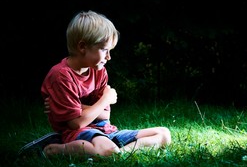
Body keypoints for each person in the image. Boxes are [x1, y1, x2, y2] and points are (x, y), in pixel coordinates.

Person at [21, 10, 171, 157]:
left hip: (105, 130)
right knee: (107, 149)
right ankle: (54, 149)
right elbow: (77, 123)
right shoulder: (61, 76)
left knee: (164, 134)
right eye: (105, 50)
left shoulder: (99, 71)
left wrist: (77, 107)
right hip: (77, 133)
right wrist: (105, 99)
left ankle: (119, 153)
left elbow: (105, 114)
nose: (109, 57)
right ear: (82, 47)